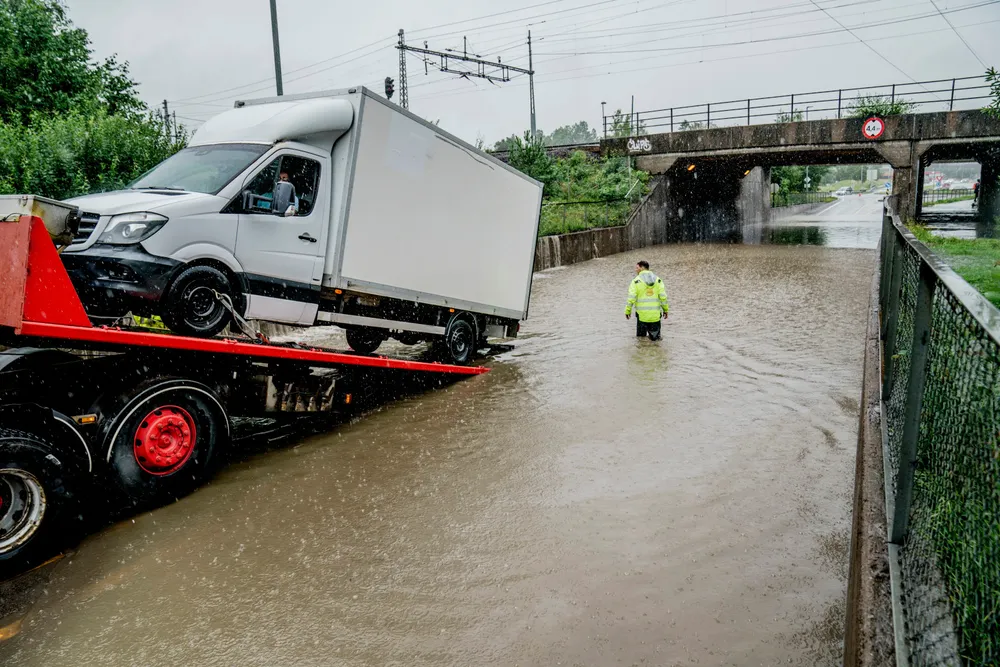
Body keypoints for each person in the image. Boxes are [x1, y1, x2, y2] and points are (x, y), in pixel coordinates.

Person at [625, 260, 669, 341]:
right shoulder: (658, 280)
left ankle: (643, 350)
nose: (636, 270)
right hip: (655, 316)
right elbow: (663, 297)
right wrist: (665, 310)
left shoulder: (636, 281)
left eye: (637, 268)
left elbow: (631, 298)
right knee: (656, 342)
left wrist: (628, 310)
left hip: (641, 317)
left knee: (641, 341)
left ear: (642, 268)